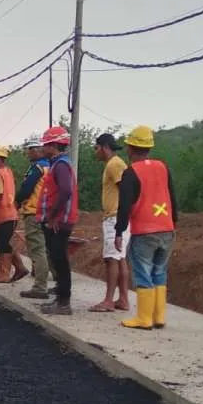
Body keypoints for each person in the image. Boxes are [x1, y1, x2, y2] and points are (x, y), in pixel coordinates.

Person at [115, 125, 178, 330]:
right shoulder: (163, 167)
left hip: (144, 231)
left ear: (131, 148)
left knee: (143, 272)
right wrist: (173, 222)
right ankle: (159, 316)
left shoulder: (131, 172)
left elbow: (124, 205)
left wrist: (119, 231)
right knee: (159, 272)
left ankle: (143, 318)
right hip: (167, 228)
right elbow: (172, 197)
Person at [36, 125, 78, 315]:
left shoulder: (61, 165)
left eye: (45, 145)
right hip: (58, 220)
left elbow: (66, 190)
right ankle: (60, 299)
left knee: (60, 260)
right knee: (57, 258)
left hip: (59, 221)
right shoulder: (58, 164)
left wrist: (53, 216)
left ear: (53, 146)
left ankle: (63, 303)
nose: (43, 148)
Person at [90, 133, 131, 313]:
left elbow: (126, 190)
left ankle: (108, 300)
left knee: (112, 259)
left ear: (104, 147)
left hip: (115, 218)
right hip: (117, 217)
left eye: (97, 148)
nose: (95, 152)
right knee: (120, 258)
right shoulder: (115, 164)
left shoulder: (115, 165)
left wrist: (120, 219)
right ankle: (122, 299)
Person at [15, 137, 51, 299]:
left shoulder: (37, 168)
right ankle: (54, 280)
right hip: (46, 211)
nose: (28, 153)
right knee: (46, 248)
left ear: (38, 150)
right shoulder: (50, 167)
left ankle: (40, 287)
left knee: (37, 249)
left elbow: (26, 189)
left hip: (34, 211)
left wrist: (17, 201)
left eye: (30, 149)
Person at [0, 145, 28, 283]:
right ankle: (20, 268)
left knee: (2, 244)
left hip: (3, 215)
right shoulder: (8, 172)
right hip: (10, 213)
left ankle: (3, 274)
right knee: (4, 242)